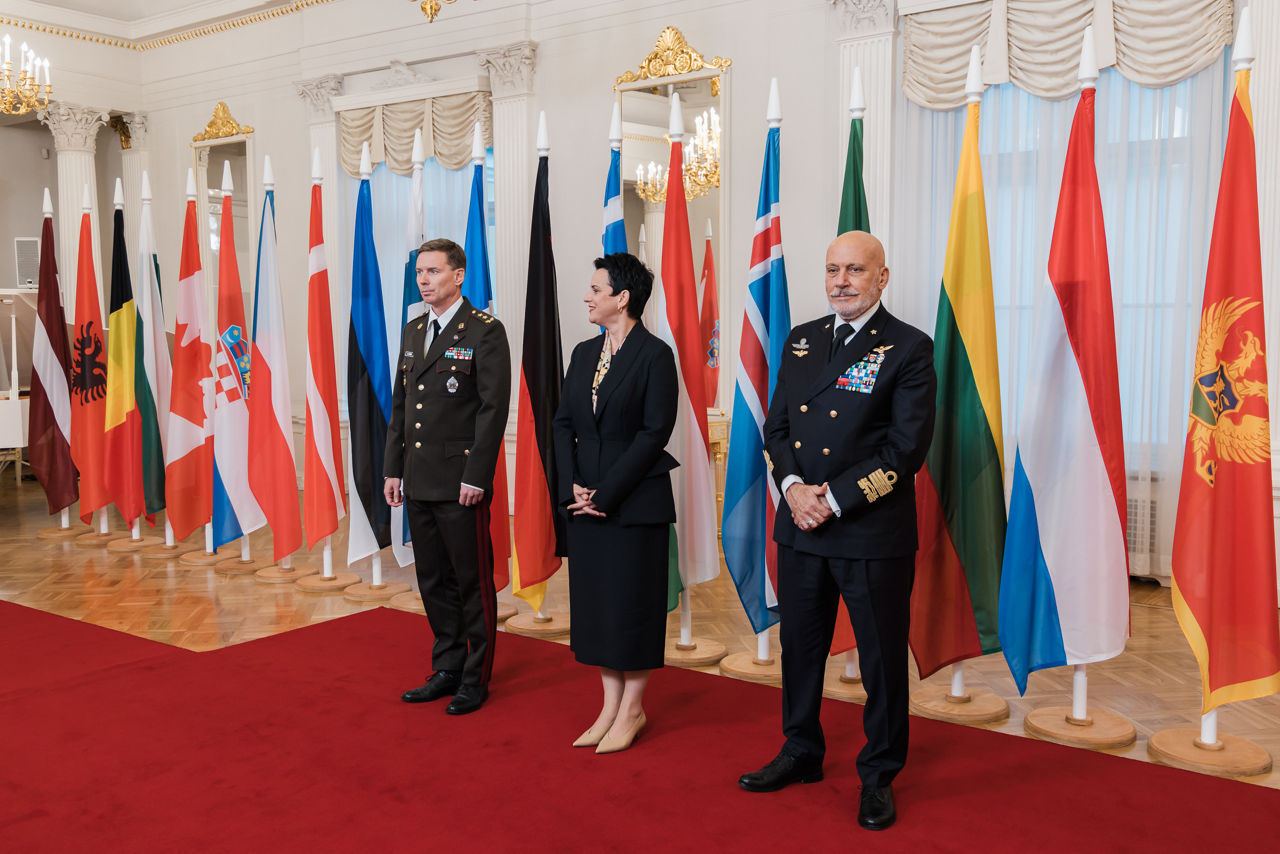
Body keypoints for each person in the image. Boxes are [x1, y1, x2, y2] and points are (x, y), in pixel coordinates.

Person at [737, 231, 936, 831]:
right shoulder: (802, 340)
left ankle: (878, 774)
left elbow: (905, 450)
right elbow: (776, 428)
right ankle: (801, 749)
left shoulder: (909, 347)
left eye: (854, 270)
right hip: (801, 524)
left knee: (880, 660)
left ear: (882, 277)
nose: (840, 281)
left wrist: (834, 500)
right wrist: (794, 489)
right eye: (832, 270)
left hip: (869, 531)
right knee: (800, 649)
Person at [551, 253, 678, 754]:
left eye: (596, 289)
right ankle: (609, 706)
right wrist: (573, 488)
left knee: (633, 606)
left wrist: (607, 493)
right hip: (584, 502)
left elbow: (653, 434)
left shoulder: (655, 355)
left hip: (634, 503)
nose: (587, 296)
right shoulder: (583, 352)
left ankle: (632, 710)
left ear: (622, 298)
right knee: (599, 608)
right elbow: (563, 424)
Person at [384, 237, 511, 716]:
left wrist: (477, 476)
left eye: (433, 271)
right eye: (420, 272)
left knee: (471, 582)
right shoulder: (414, 330)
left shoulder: (484, 331)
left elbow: (492, 410)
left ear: (458, 275)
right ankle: (447, 667)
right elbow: (401, 406)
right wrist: (393, 469)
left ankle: (475, 678)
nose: (424, 280)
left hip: (461, 483)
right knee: (433, 580)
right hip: (418, 478)